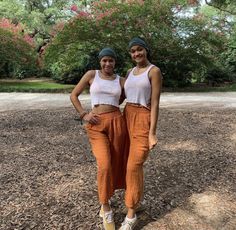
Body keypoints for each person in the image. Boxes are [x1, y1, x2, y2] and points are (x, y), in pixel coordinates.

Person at [70, 47, 128, 230]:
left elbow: (122, 98)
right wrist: (83, 114)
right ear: (100, 62)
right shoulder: (91, 75)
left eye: (111, 60)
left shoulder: (121, 80)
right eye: (104, 60)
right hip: (95, 124)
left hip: (117, 122)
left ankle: (117, 195)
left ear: (115, 62)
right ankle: (105, 206)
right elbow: (73, 95)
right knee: (104, 164)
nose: (107, 64)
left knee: (117, 162)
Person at [119, 37, 162, 230]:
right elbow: (122, 96)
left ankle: (130, 215)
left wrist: (152, 132)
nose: (136, 54)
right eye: (133, 51)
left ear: (146, 50)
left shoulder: (154, 71)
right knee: (127, 163)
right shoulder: (130, 72)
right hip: (126, 115)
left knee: (133, 166)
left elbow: (155, 103)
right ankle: (135, 202)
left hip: (143, 118)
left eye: (139, 50)